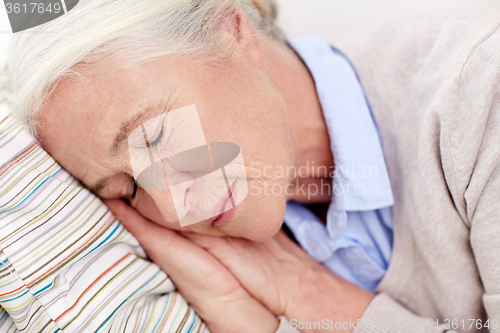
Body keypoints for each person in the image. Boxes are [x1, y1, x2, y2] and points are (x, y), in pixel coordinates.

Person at [5, 0, 500, 332]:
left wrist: (307, 294)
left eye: (154, 137)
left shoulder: (477, 92)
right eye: (127, 189)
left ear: (231, 28)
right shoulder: (224, 261)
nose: (173, 206)